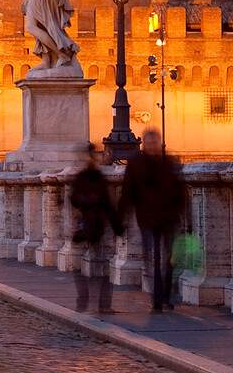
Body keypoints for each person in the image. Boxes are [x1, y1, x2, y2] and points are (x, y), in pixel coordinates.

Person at [120, 128, 188, 311]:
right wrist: (122, 217)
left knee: (169, 259)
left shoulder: (169, 162)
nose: (152, 147)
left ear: (159, 143)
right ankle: (158, 299)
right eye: (149, 144)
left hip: (168, 217)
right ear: (144, 144)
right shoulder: (136, 164)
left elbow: (180, 191)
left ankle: (166, 295)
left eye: (154, 143)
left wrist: (184, 214)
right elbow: (127, 192)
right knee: (153, 259)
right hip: (147, 219)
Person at [66, 142, 122, 314]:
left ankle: (90, 300)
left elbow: (75, 200)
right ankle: (100, 303)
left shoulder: (87, 177)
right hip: (92, 225)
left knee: (94, 266)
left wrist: (116, 225)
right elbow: (106, 204)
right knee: (101, 266)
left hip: (92, 225)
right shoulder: (90, 178)